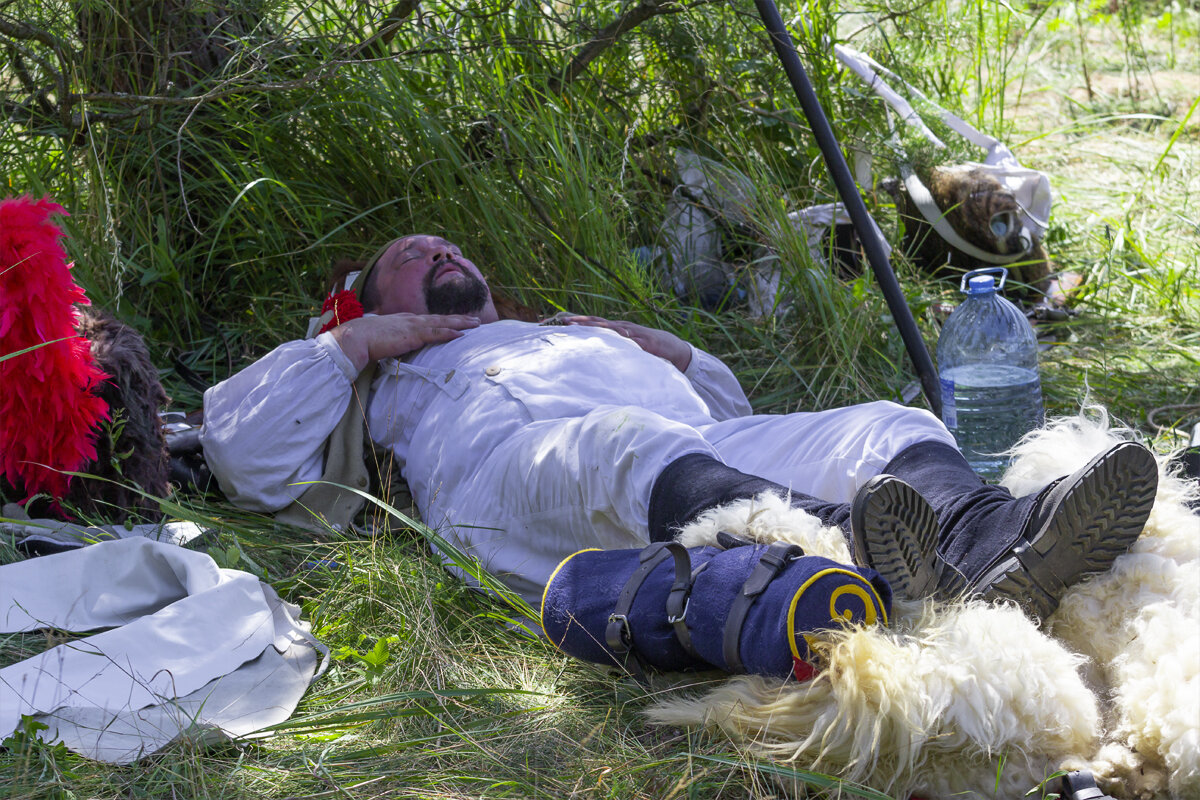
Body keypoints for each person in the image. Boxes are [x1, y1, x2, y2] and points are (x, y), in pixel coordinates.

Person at [200, 235, 1159, 621]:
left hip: (684, 450)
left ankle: (993, 545)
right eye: (406, 258)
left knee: (883, 421)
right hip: (508, 483)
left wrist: (661, 345)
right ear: (370, 305)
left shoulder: (556, 328)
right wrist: (364, 342)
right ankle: (878, 562)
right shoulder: (380, 375)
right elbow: (245, 456)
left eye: (444, 242)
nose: (434, 246)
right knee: (622, 445)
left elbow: (725, 418)